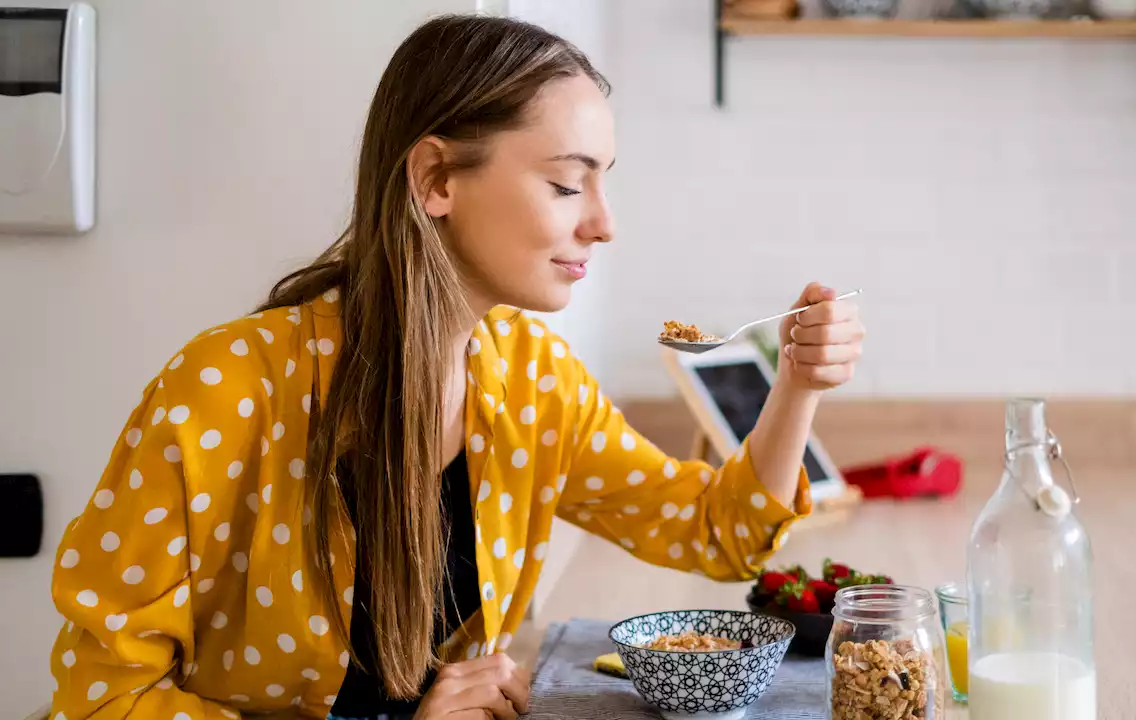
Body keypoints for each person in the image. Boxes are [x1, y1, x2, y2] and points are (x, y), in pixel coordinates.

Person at [46, 13, 865, 720]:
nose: (605, 225)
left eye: (603, 184)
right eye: (566, 185)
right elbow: (101, 699)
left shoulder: (536, 383)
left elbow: (711, 533)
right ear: (437, 178)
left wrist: (797, 386)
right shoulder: (224, 389)